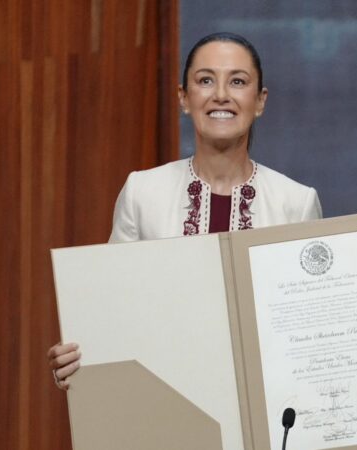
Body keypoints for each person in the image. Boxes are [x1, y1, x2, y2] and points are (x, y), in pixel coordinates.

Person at [48, 32, 322, 389]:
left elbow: (311, 332)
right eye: (205, 80)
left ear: (260, 101)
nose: (220, 94)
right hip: (165, 399)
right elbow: (112, 313)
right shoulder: (142, 192)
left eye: (238, 82)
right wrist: (77, 362)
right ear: (184, 97)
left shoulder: (297, 203)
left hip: (266, 401)